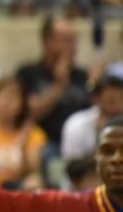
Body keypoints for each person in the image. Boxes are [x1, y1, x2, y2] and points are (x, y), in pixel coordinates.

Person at [15, 14, 91, 148]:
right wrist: (59, 85)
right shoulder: (28, 73)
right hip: (43, 143)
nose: (72, 47)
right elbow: (27, 113)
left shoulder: (82, 75)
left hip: (79, 146)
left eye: (74, 40)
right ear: (46, 41)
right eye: (66, 40)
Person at [62, 64, 123, 162]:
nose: (118, 106)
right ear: (97, 99)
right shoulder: (76, 124)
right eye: (111, 100)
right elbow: (72, 169)